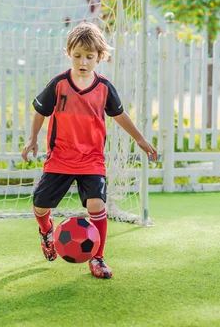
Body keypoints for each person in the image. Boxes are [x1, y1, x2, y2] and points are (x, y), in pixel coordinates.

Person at [21, 22, 158, 279]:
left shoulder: (104, 87)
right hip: (60, 157)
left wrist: (140, 139)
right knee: (40, 205)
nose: (83, 62)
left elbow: (119, 115)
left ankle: (97, 257)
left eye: (89, 57)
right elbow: (40, 111)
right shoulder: (59, 84)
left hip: (92, 159)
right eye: (78, 56)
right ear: (68, 53)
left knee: (96, 204)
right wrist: (32, 139)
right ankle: (46, 232)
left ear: (100, 57)